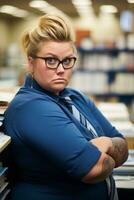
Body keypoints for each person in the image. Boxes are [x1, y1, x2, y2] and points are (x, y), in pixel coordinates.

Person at [4, 14, 128, 200]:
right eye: (51, 60)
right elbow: (93, 169)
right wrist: (107, 153)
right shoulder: (31, 108)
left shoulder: (75, 97)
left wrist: (107, 143)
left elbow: (122, 144)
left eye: (68, 60)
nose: (61, 69)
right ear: (31, 62)